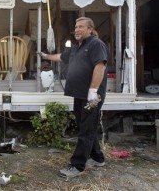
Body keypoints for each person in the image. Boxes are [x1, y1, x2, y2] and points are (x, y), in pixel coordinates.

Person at [38, 17, 108, 178]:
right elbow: (62, 56)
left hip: (91, 97)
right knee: (86, 127)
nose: (77, 30)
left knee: (86, 130)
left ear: (90, 29)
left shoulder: (96, 44)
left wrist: (93, 91)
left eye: (81, 27)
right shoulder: (77, 48)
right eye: (76, 27)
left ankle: (77, 165)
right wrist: (46, 56)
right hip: (79, 95)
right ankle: (97, 158)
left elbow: (100, 66)